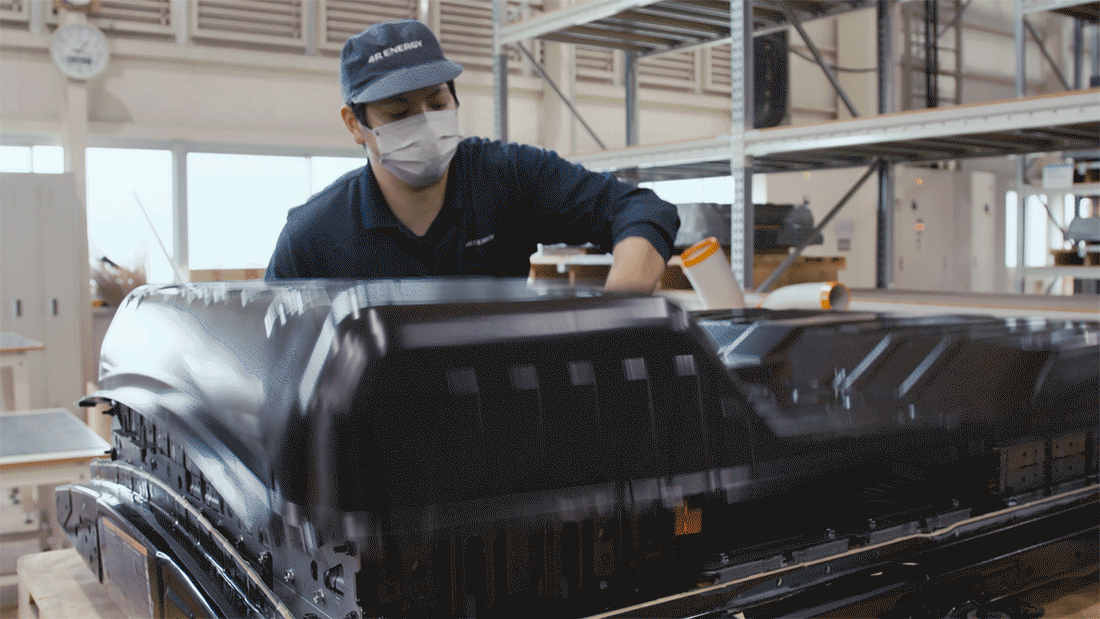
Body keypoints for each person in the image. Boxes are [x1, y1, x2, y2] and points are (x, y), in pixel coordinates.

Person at [265, 19, 679, 292]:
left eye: (436, 103)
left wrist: (621, 308)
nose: (426, 124)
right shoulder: (312, 238)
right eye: (399, 113)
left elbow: (639, 208)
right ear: (355, 125)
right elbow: (273, 358)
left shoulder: (510, 176)